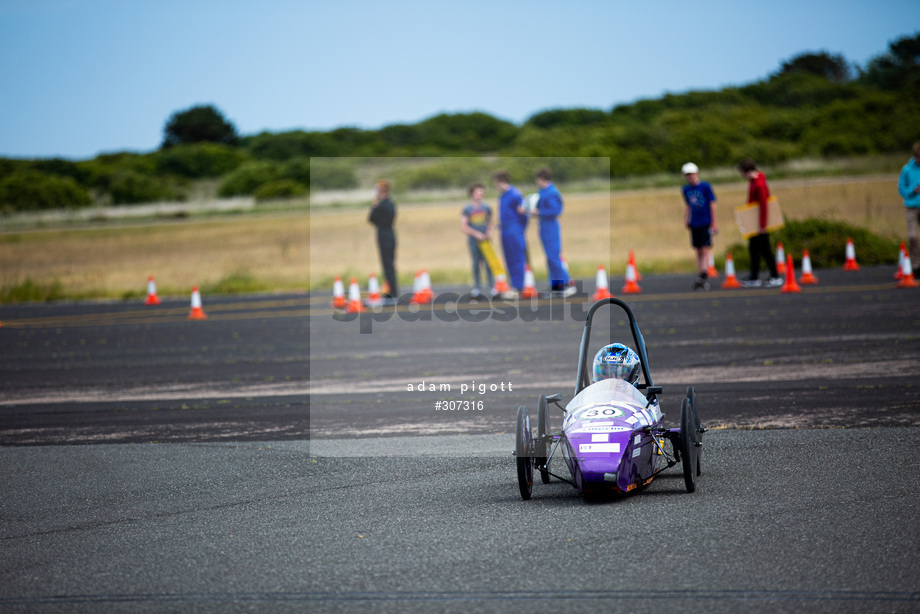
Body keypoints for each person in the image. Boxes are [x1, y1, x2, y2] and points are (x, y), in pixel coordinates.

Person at [737, 159, 782, 288]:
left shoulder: (759, 184)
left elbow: (763, 204)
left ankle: (775, 275)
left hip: (759, 222)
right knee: (754, 249)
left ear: (746, 172)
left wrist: (763, 224)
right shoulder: (753, 182)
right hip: (753, 220)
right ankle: (754, 276)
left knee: (765, 249)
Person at [534, 167, 574, 296]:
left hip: (551, 227)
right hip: (543, 226)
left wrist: (539, 212)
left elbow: (556, 211)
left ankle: (567, 284)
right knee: (549, 258)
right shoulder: (542, 191)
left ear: (542, 179)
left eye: (537, 179)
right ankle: (556, 284)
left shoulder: (551, 192)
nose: (536, 182)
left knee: (554, 257)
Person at [681, 162, 718, 290]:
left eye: (691, 174)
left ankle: (704, 274)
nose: (690, 177)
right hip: (694, 222)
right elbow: (688, 205)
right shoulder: (686, 189)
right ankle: (700, 274)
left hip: (705, 221)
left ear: (696, 174)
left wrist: (714, 223)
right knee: (697, 249)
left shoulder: (705, 187)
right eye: (687, 175)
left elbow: (712, 204)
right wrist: (686, 218)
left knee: (705, 248)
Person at [491, 169, 527, 293]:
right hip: (504, 229)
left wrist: (519, 229)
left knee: (517, 256)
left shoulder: (515, 194)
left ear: (502, 181)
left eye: (496, 182)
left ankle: (519, 286)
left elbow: (524, 214)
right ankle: (514, 284)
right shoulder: (502, 195)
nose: (495, 185)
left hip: (514, 228)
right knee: (508, 258)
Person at [459, 182, 494, 298]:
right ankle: (477, 288)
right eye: (478, 193)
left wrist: (489, 232)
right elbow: (463, 226)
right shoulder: (467, 209)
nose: (481, 195)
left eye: (482, 193)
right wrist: (476, 234)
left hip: (486, 240)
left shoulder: (486, 207)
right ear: (472, 194)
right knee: (476, 264)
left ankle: (492, 287)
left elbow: (490, 221)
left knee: (489, 263)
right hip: (474, 240)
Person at [368, 179, 397, 299]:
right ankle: (389, 290)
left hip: (386, 236)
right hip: (385, 235)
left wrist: (374, 206)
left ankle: (392, 292)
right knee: (386, 265)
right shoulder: (387, 204)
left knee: (388, 264)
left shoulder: (386, 205)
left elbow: (372, 219)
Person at [898, 141, 920, 272]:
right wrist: (913, 190)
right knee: (912, 237)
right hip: (911, 207)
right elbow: (902, 190)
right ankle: (916, 265)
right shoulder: (906, 170)